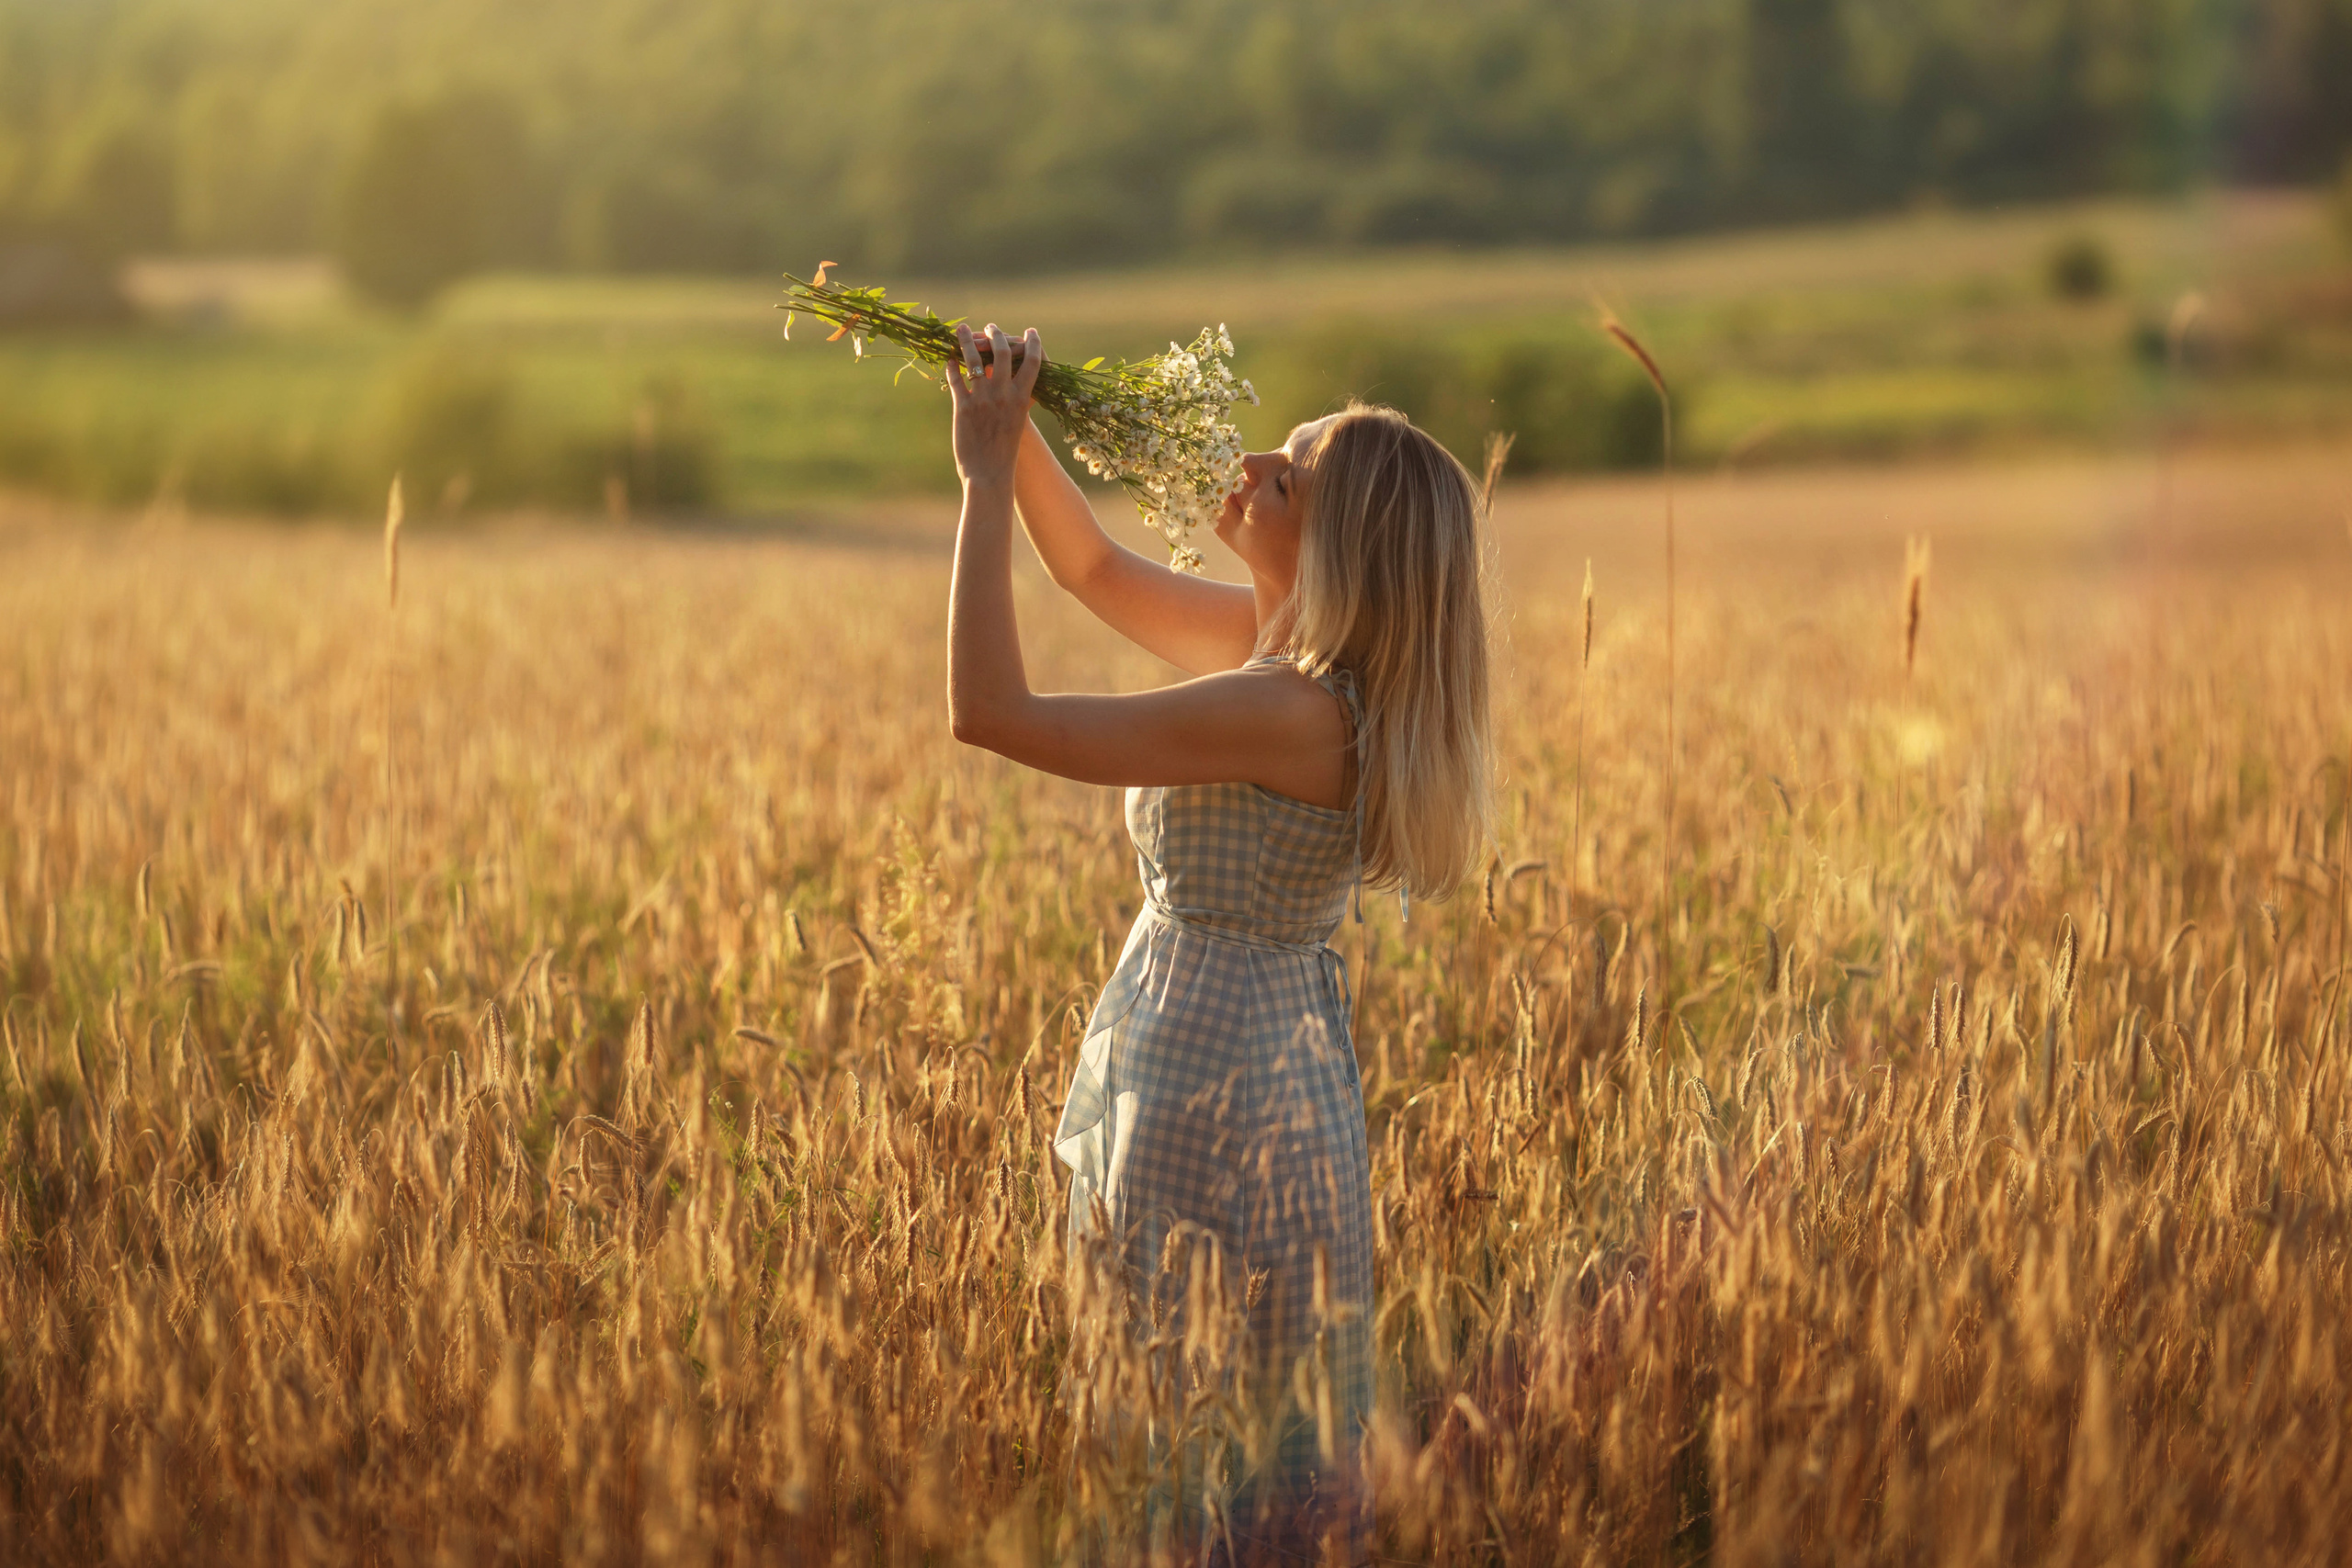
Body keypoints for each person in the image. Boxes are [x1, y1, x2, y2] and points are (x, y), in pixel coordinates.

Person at [943, 321, 1494, 1567]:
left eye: (1287, 477)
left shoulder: (1287, 709)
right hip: (1254, 1064)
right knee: (1219, 1439)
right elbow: (1086, 566)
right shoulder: (1293, 665)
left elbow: (990, 713)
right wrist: (1009, 415)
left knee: (1193, 1441)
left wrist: (982, 479)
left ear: (1339, 545)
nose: (1250, 463)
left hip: (1214, 1094)